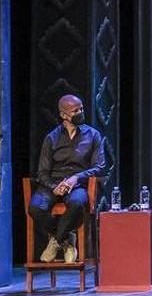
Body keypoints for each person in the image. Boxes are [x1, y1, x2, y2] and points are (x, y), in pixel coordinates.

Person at [30, 95, 107, 263]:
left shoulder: (93, 135)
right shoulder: (52, 138)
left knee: (76, 203)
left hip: (78, 184)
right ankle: (66, 241)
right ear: (64, 115)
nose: (80, 112)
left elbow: (100, 167)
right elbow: (42, 172)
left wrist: (76, 178)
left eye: (81, 109)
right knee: (35, 207)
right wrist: (53, 187)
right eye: (75, 111)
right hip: (54, 183)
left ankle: (56, 241)